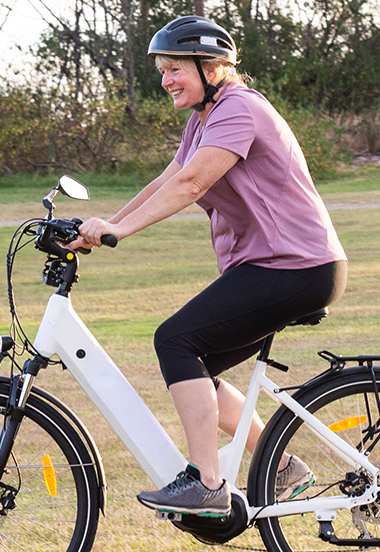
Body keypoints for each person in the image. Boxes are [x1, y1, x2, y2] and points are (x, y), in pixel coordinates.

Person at [68, 16, 348, 518]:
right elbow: (168, 179)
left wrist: (119, 231)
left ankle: (207, 484)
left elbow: (192, 183)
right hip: (277, 266)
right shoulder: (205, 118)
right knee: (195, 368)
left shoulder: (239, 108)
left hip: (295, 266)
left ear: (211, 67)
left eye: (175, 69)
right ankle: (283, 468)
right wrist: (106, 227)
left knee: (176, 341)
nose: (166, 80)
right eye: (162, 70)